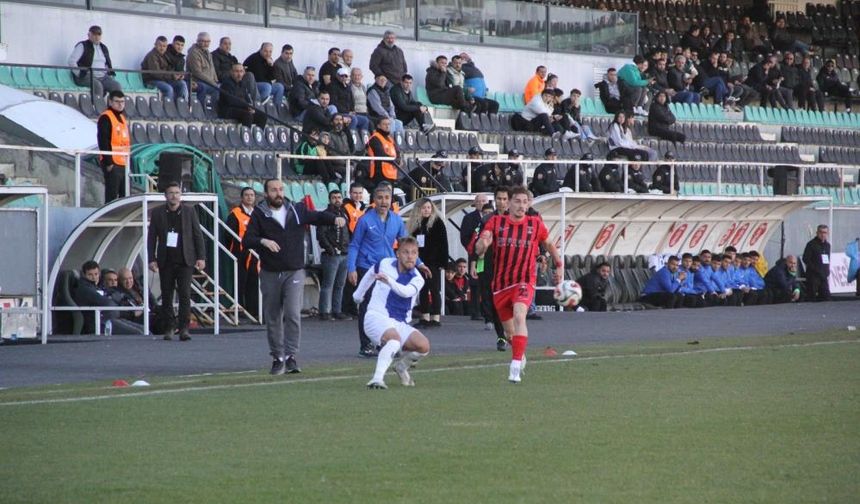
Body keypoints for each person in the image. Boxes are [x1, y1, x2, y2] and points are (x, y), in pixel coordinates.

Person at [243, 179, 346, 375]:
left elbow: (316, 216)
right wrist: (263, 241)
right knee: (273, 316)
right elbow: (247, 239)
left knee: (292, 313)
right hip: (270, 272)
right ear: (266, 194)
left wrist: (334, 219)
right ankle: (277, 357)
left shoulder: (296, 209)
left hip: (294, 270)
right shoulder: (259, 213)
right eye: (274, 190)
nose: (278, 193)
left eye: (280, 189)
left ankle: (291, 356)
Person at [474, 186, 563, 383]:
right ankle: (519, 354)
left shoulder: (535, 224)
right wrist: (482, 245)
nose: (521, 206)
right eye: (517, 201)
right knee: (509, 332)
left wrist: (559, 265)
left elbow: (549, 244)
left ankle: (514, 367)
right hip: (501, 284)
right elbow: (484, 240)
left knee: (520, 314)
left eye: (525, 202)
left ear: (529, 204)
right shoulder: (496, 222)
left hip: (524, 281)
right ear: (508, 203)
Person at [348, 183, 430, 357]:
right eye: (380, 198)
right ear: (373, 201)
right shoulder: (365, 220)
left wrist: (419, 263)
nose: (383, 202)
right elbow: (354, 245)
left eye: (386, 198)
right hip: (367, 266)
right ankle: (365, 345)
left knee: (386, 306)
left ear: (391, 200)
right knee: (367, 306)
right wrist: (351, 268)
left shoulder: (396, 219)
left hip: (388, 268)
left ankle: (384, 342)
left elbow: (406, 244)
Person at [354, 237, 430, 389]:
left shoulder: (418, 278)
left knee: (423, 346)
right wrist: (358, 295)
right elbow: (370, 273)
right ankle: (377, 379)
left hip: (399, 323)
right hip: (376, 316)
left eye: (414, 253)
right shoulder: (384, 263)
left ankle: (401, 367)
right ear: (398, 254)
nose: (410, 256)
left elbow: (406, 292)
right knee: (393, 340)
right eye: (406, 252)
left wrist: (389, 281)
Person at [147, 183, 206, 341]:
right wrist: (151, 259)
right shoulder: (158, 213)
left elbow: (197, 234)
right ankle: (169, 327)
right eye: (171, 193)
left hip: (185, 259)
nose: (174, 195)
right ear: (165, 195)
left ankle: (184, 327)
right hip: (166, 260)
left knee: (185, 294)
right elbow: (152, 237)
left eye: (177, 192)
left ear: (181, 195)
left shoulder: (189, 211)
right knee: (166, 295)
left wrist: (201, 257)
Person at [408, 198, 448, 327]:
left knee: (434, 288)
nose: (426, 210)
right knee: (422, 288)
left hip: (434, 262)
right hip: (420, 261)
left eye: (429, 208)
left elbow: (444, 243)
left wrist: (443, 262)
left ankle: (436, 317)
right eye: (424, 208)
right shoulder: (416, 224)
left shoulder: (437, 223)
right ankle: (425, 316)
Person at [225, 187, 260, 318]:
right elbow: (228, 235)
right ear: (242, 197)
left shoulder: (258, 213)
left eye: (252, 195)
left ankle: (254, 311)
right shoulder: (235, 213)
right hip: (241, 254)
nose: (249, 197)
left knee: (254, 283)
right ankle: (240, 311)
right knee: (240, 282)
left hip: (255, 254)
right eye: (247, 195)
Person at [317, 189, 351, 321]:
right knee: (328, 284)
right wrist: (330, 249)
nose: (337, 200)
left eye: (339, 197)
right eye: (334, 198)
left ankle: (337, 310)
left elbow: (347, 232)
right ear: (329, 199)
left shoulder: (344, 213)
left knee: (340, 284)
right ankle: (324, 311)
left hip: (344, 253)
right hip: (331, 255)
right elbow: (321, 235)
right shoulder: (325, 215)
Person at [68, 25, 122, 97]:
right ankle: (97, 106)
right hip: (86, 76)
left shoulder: (103, 47)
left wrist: (109, 73)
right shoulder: (82, 45)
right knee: (98, 85)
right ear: (89, 35)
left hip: (102, 76)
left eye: (99, 34)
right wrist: (79, 73)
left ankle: (114, 107)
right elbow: (71, 61)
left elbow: (106, 64)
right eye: (94, 34)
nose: (96, 37)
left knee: (116, 86)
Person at [96, 90, 130, 204]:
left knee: (124, 194)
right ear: (110, 102)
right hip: (113, 162)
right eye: (117, 101)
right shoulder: (106, 117)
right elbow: (103, 140)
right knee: (112, 194)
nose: (120, 104)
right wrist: (108, 162)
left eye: (122, 102)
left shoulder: (122, 118)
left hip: (123, 161)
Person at [460, 193, 489, 320]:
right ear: (475, 203)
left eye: (484, 201)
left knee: (487, 283)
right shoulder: (469, 218)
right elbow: (464, 237)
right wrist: (473, 250)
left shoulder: (493, 217)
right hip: (475, 254)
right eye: (480, 201)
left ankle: (487, 311)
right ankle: (475, 311)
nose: (482, 203)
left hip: (490, 255)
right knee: (475, 283)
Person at [218, 63, 267, 128]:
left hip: (241, 109)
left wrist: (250, 107)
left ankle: (258, 135)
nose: (239, 74)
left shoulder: (242, 83)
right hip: (228, 110)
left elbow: (247, 98)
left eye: (241, 71)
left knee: (262, 116)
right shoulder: (226, 84)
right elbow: (231, 101)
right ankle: (246, 135)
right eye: (237, 71)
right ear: (231, 72)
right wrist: (246, 106)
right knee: (248, 115)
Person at [141, 36, 188, 101]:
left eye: (164, 46)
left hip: (163, 80)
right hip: (151, 80)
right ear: (155, 45)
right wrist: (172, 76)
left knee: (182, 84)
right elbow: (156, 73)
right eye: (160, 45)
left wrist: (179, 75)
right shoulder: (152, 56)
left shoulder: (165, 55)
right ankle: (168, 108)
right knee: (168, 88)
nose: (162, 48)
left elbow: (169, 69)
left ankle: (181, 106)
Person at [365, 117, 399, 187]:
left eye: (389, 124)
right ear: (378, 126)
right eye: (384, 124)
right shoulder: (375, 138)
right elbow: (380, 154)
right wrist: (394, 160)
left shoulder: (390, 138)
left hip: (391, 173)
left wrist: (398, 159)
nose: (387, 126)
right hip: (379, 173)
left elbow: (397, 152)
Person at [186, 32, 219, 102]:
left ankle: (214, 109)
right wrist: (212, 83)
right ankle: (201, 109)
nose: (206, 43)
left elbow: (212, 69)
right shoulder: (193, 53)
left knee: (221, 87)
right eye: (203, 41)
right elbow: (197, 72)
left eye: (208, 41)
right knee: (213, 88)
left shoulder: (208, 53)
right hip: (196, 81)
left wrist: (215, 81)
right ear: (198, 41)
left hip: (209, 82)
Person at [802, 224, 831, 301]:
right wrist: (814, 268)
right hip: (813, 275)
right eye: (821, 232)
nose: (823, 234)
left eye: (825, 232)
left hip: (823, 275)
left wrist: (827, 270)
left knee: (826, 296)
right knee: (812, 296)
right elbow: (805, 258)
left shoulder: (827, 245)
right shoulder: (811, 244)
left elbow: (827, 259)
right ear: (817, 233)